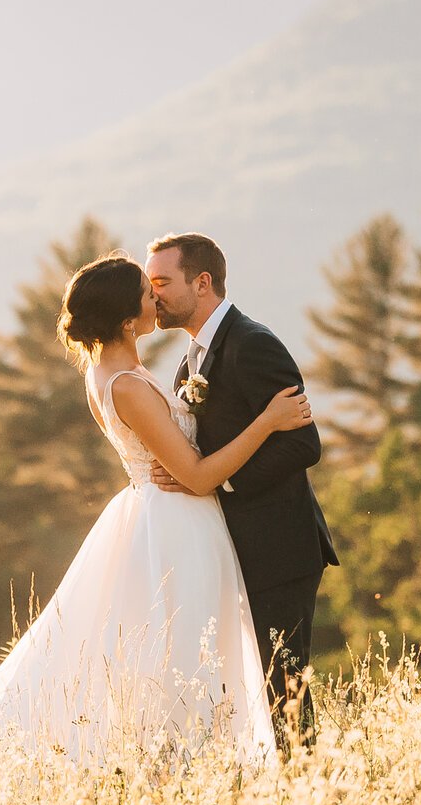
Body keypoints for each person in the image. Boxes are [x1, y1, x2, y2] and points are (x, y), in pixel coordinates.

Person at [0, 252, 312, 780]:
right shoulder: (126, 384)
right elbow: (196, 476)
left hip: (160, 514)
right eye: (147, 294)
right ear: (129, 320)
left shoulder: (113, 372)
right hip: (177, 523)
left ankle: (199, 769)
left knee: (177, 651)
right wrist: (267, 421)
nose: (156, 299)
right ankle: (183, 770)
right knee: (185, 652)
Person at [142, 231, 337, 740]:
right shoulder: (191, 361)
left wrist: (215, 485)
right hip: (232, 552)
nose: (152, 294)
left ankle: (309, 799)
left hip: (279, 549)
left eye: (161, 281)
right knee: (256, 692)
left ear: (202, 282)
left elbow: (304, 444)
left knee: (286, 692)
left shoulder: (253, 343)